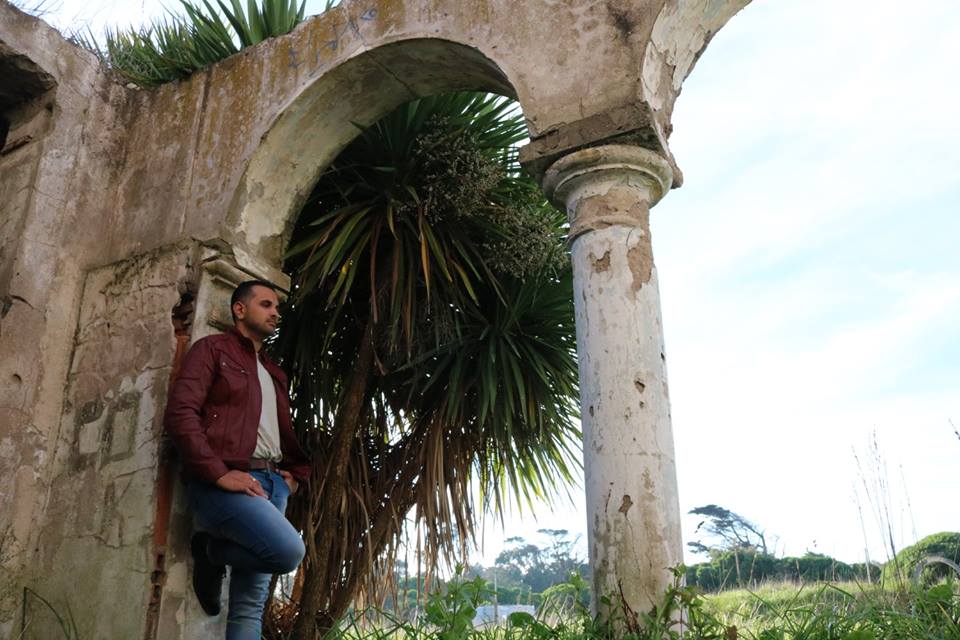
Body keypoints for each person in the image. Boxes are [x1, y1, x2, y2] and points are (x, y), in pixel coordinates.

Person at [164, 280, 310, 639]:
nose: (276, 313)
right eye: (266, 304)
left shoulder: (274, 373)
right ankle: (211, 551)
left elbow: (280, 432)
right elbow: (180, 414)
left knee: (249, 604)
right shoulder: (212, 350)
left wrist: (292, 476)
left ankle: (213, 552)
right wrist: (218, 473)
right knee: (288, 552)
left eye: (277, 307)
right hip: (226, 483)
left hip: (273, 485)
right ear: (239, 309)